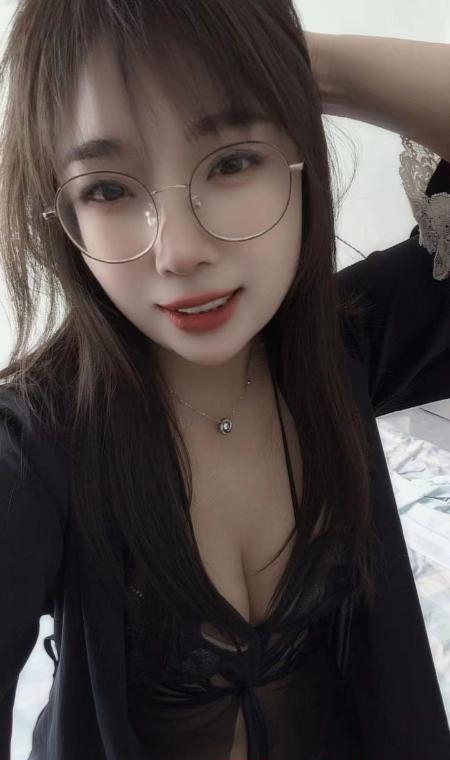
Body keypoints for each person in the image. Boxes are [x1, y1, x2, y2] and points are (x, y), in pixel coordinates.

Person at [0, 2, 449, 759]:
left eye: (232, 162)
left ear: (297, 156)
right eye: (107, 189)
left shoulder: (343, 345)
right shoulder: (31, 449)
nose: (179, 252)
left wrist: (294, 61)